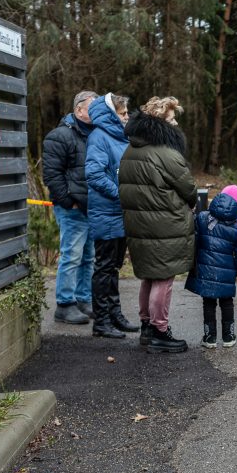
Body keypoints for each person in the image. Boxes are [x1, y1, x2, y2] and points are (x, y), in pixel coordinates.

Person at [119, 97, 198, 353]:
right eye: (172, 119)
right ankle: (160, 331)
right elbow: (189, 188)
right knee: (163, 278)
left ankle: (146, 327)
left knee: (149, 277)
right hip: (166, 225)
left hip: (139, 225)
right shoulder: (166, 153)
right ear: (160, 122)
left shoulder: (130, 150)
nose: (176, 123)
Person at [85, 93, 138, 338]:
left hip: (120, 213)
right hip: (106, 212)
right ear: (110, 115)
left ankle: (115, 314)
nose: (127, 117)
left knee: (114, 267)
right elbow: (95, 175)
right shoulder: (99, 137)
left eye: (127, 113)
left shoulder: (122, 138)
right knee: (104, 268)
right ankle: (102, 321)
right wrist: (121, 194)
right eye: (123, 113)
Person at [43, 90, 98, 325]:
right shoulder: (60, 136)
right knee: (71, 256)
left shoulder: (95, 135)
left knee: (88, 257)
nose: (97, 114)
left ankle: (83, 300)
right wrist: (69, 201)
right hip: (72, 209)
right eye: (92, 109)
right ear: (78, 110)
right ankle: (65, 304)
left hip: (90, 208)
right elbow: (52, 175)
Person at [189, 185, 237, 349]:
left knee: (208, 303)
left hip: (205, 269)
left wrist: (192, 264)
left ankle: (209, 337)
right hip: (227, 272)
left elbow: (193, 240)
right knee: (227, 302)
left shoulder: (203, 217)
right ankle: (228, 336)